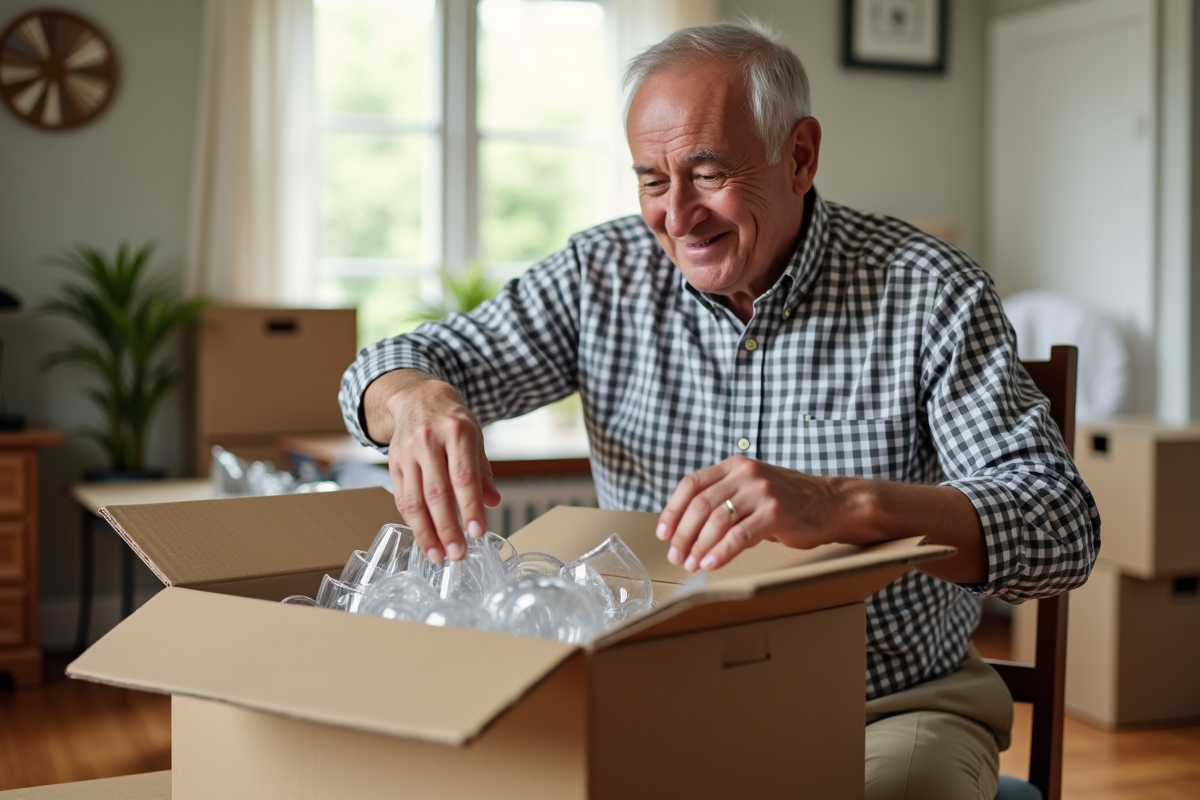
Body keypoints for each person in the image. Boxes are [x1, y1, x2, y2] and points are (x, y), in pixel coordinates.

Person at [340, 20, 1099, 799]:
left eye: (706, 173)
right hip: (648, 699)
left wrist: (845, 504)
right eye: (651, 180)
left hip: (882, 706)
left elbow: (1060, 527)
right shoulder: (599, 276)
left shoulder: (928, 290)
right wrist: (415, 396)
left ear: (799, 155)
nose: (677, 215)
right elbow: (387, 369)